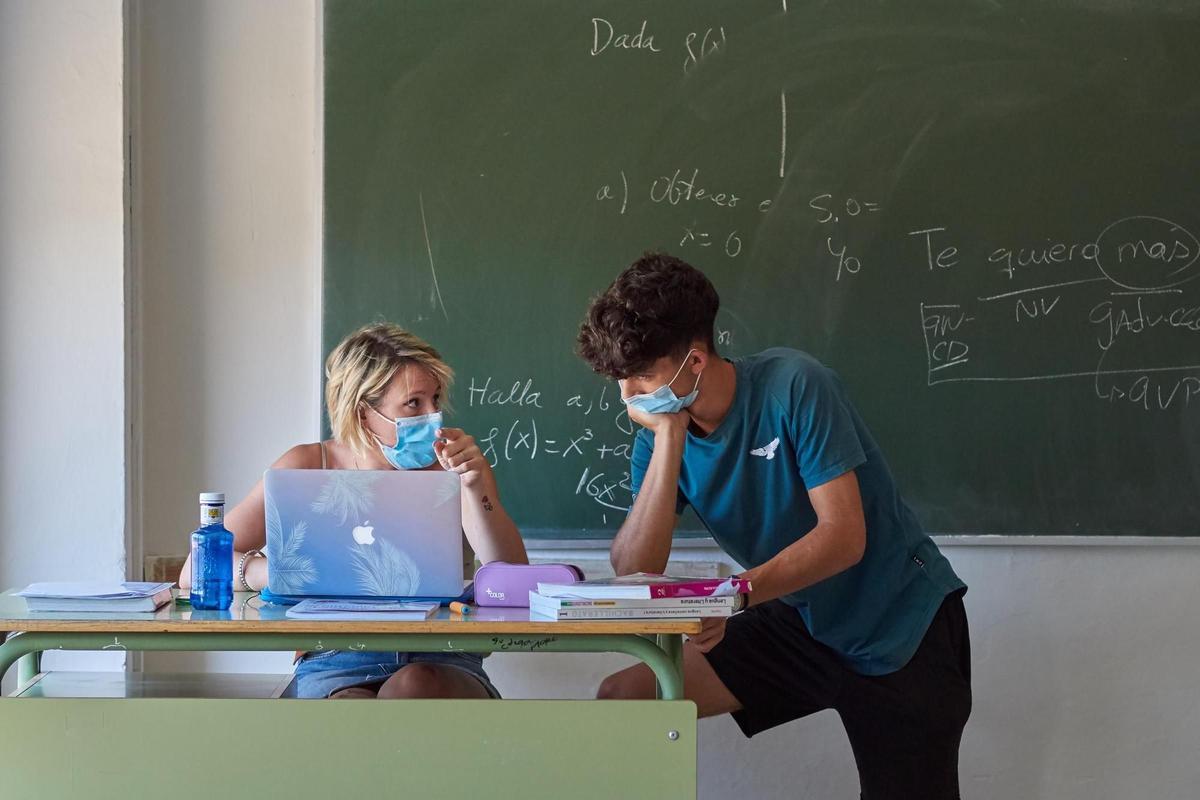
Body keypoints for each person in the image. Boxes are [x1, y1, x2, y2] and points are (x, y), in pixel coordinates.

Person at [576, 253, 971, 799]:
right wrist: (668, 437)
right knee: (625, 698)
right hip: (800, 618)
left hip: (900, 623)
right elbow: (634, 567)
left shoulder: (796, 385)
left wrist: (732, 596)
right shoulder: (660, 430)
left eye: (642, 377)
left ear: (694, 360)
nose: (628, 398)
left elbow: (843, 538)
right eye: (621, 381)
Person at [179, 322, 527, 699]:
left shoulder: (456, 468)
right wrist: (275, 573)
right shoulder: (308, 465)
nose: (434, 416)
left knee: (417, 685)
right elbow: (194, 570)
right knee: (348, 708)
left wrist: (475, 488)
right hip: (335, 656)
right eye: (414, 403)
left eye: (436, 399)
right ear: (363, 413)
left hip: (442, 656)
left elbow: (513, 579)